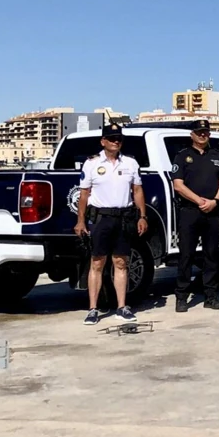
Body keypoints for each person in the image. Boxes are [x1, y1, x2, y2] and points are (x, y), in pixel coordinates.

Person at [74, 123, 147, 324]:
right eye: (112, 138)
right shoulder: (91, 164)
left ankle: (122, 306)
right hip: (101, 218)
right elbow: (84, 195)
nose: (116, 142)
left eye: (119, 139)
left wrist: (142, 216)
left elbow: (138, 191)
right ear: (103, 141)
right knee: (97, 262)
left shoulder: (130, 163)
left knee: (121, 262)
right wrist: (80, 221)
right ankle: (92, 309)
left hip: (124, 217)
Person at [172, 119, 219, 311]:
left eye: (205, 132)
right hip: (190, 211)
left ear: (209, 134)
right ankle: (181, 297)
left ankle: (210, 296)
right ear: (192, 135)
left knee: (211, 255)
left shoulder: (217, 156)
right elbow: (178, 185)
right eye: (199, 132)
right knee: (186, 255)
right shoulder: (183, 156)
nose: (202, 135)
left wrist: (215, 201)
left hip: (212, 211)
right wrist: (199, 201)